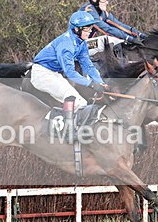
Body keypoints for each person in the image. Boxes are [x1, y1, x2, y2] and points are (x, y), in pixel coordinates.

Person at [31, 11, 109, 139]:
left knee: (82, 103)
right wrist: (91, 84)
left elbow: (88, 65)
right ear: (76, 29)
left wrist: (100, 82)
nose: (90, 31)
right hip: (41, 74)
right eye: (87, 28)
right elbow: (70, 73)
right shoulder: (66, 45)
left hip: (52, 73)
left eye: (90, 28)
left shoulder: (81, 42)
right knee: (73, 98)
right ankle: (68, 132)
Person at [79, 0, 147, 55]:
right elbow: (107, 29)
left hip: (84, 43)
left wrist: (140, 35)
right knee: (105, 41)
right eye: (104, 0)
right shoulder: (89, 11)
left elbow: (120, 26)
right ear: (94, 0)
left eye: (107, 0)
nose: (107, 3)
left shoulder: (103, 13)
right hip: (75, 45)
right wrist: (129, 39)